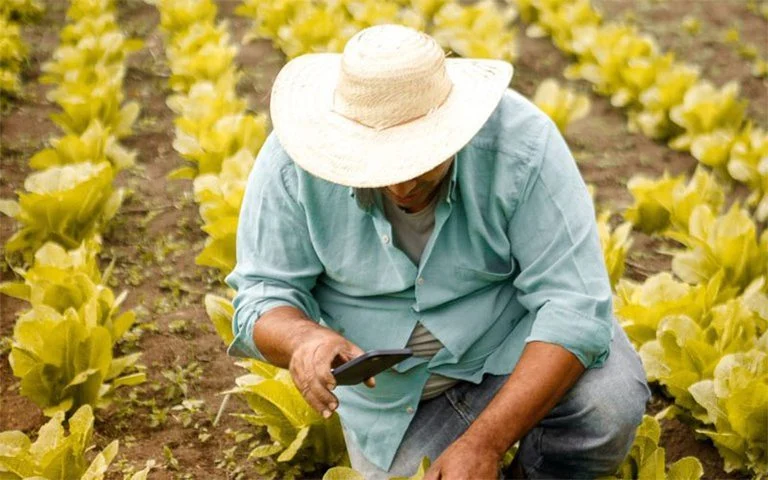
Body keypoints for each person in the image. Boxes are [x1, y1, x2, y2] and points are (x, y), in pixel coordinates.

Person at [226, 24, 650, 479]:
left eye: (418, 161)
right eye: (379, 166)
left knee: (607, 406)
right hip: (397, 405)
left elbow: (574, 306)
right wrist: (303, 339)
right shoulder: (294, 162)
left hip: (513, 351)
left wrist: (484, 444)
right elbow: (262, 296)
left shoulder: (520, 145)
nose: (401, 184)